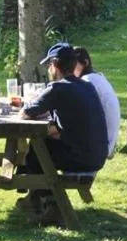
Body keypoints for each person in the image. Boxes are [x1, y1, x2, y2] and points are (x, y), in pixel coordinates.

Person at [20, 42, 108, 175]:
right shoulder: (87, 86)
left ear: (54, 65)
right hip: (98, 156)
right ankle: (39, 192)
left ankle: (43, 192)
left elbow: (25, 113)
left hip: (82, 159)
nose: (49, 69)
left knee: (38, 149)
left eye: (49, 65)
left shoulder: (57, 88)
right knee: (43, 145)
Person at [73, 46, 120, 158]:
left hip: (101, 145)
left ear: (85, 63)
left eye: (74, 65)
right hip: (106, 141)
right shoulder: (97, 77)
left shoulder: (87, 81)